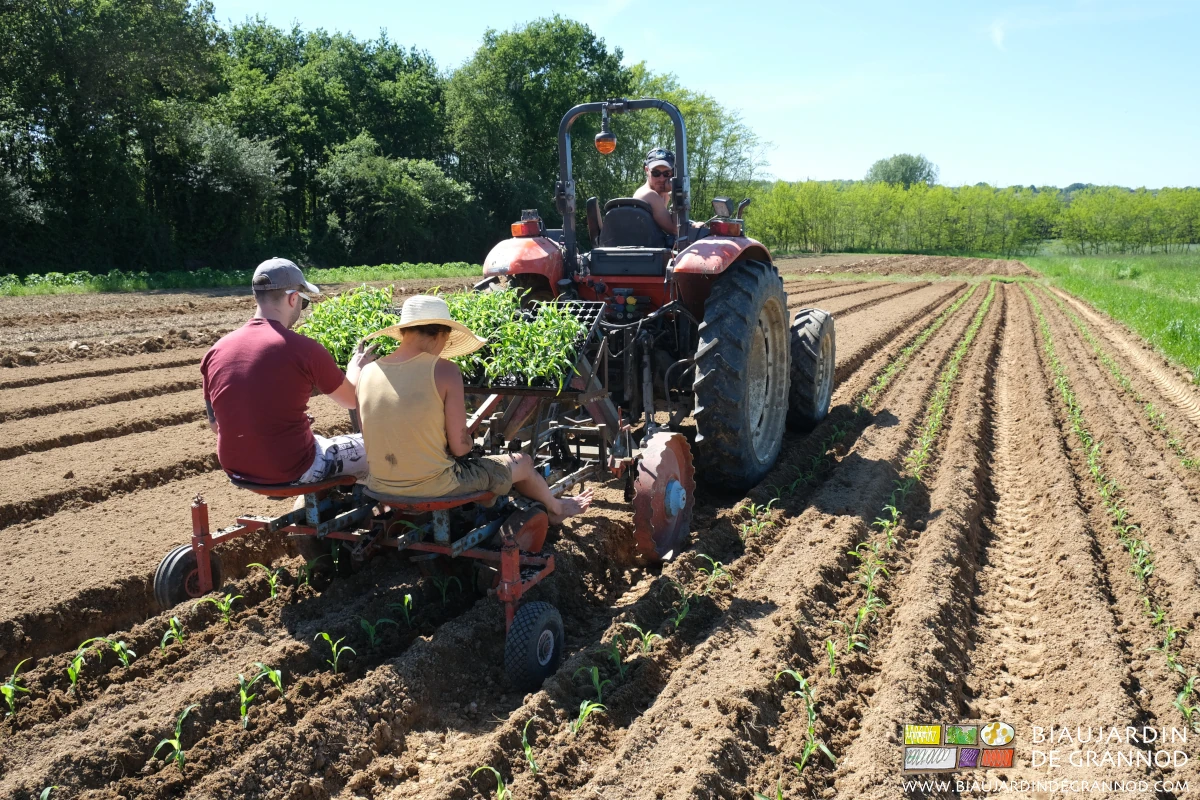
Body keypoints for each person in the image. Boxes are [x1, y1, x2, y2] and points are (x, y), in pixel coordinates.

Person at [357, 294, 593, 524]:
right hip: (434, 486)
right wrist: (471, 444)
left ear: (403, 332)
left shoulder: (367, 372)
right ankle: (557, 507)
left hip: (379, 484)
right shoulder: (445, 370)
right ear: (441, 334)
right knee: (522, 462)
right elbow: (459, 449)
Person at [200, 257, 376, 485]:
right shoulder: (305, 350)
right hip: (295, 468)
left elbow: (217, 425)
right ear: (293, 298)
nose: (302, 309)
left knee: (319, 440)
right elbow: (352, 400)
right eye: (304, 302)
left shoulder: (216, 351)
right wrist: (356, 367)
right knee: (376, 445)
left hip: (237, 470)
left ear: (256, 297)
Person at [632, 148, 707, 241]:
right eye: (656, 173)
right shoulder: (649, 194)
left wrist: (692, 225)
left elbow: (667, 220)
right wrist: (675, 192)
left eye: (666, 173)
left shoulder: (663, 194)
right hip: (647, 251)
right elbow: (675, 230)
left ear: (672, 173)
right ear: (647, 170)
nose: (661, 178)